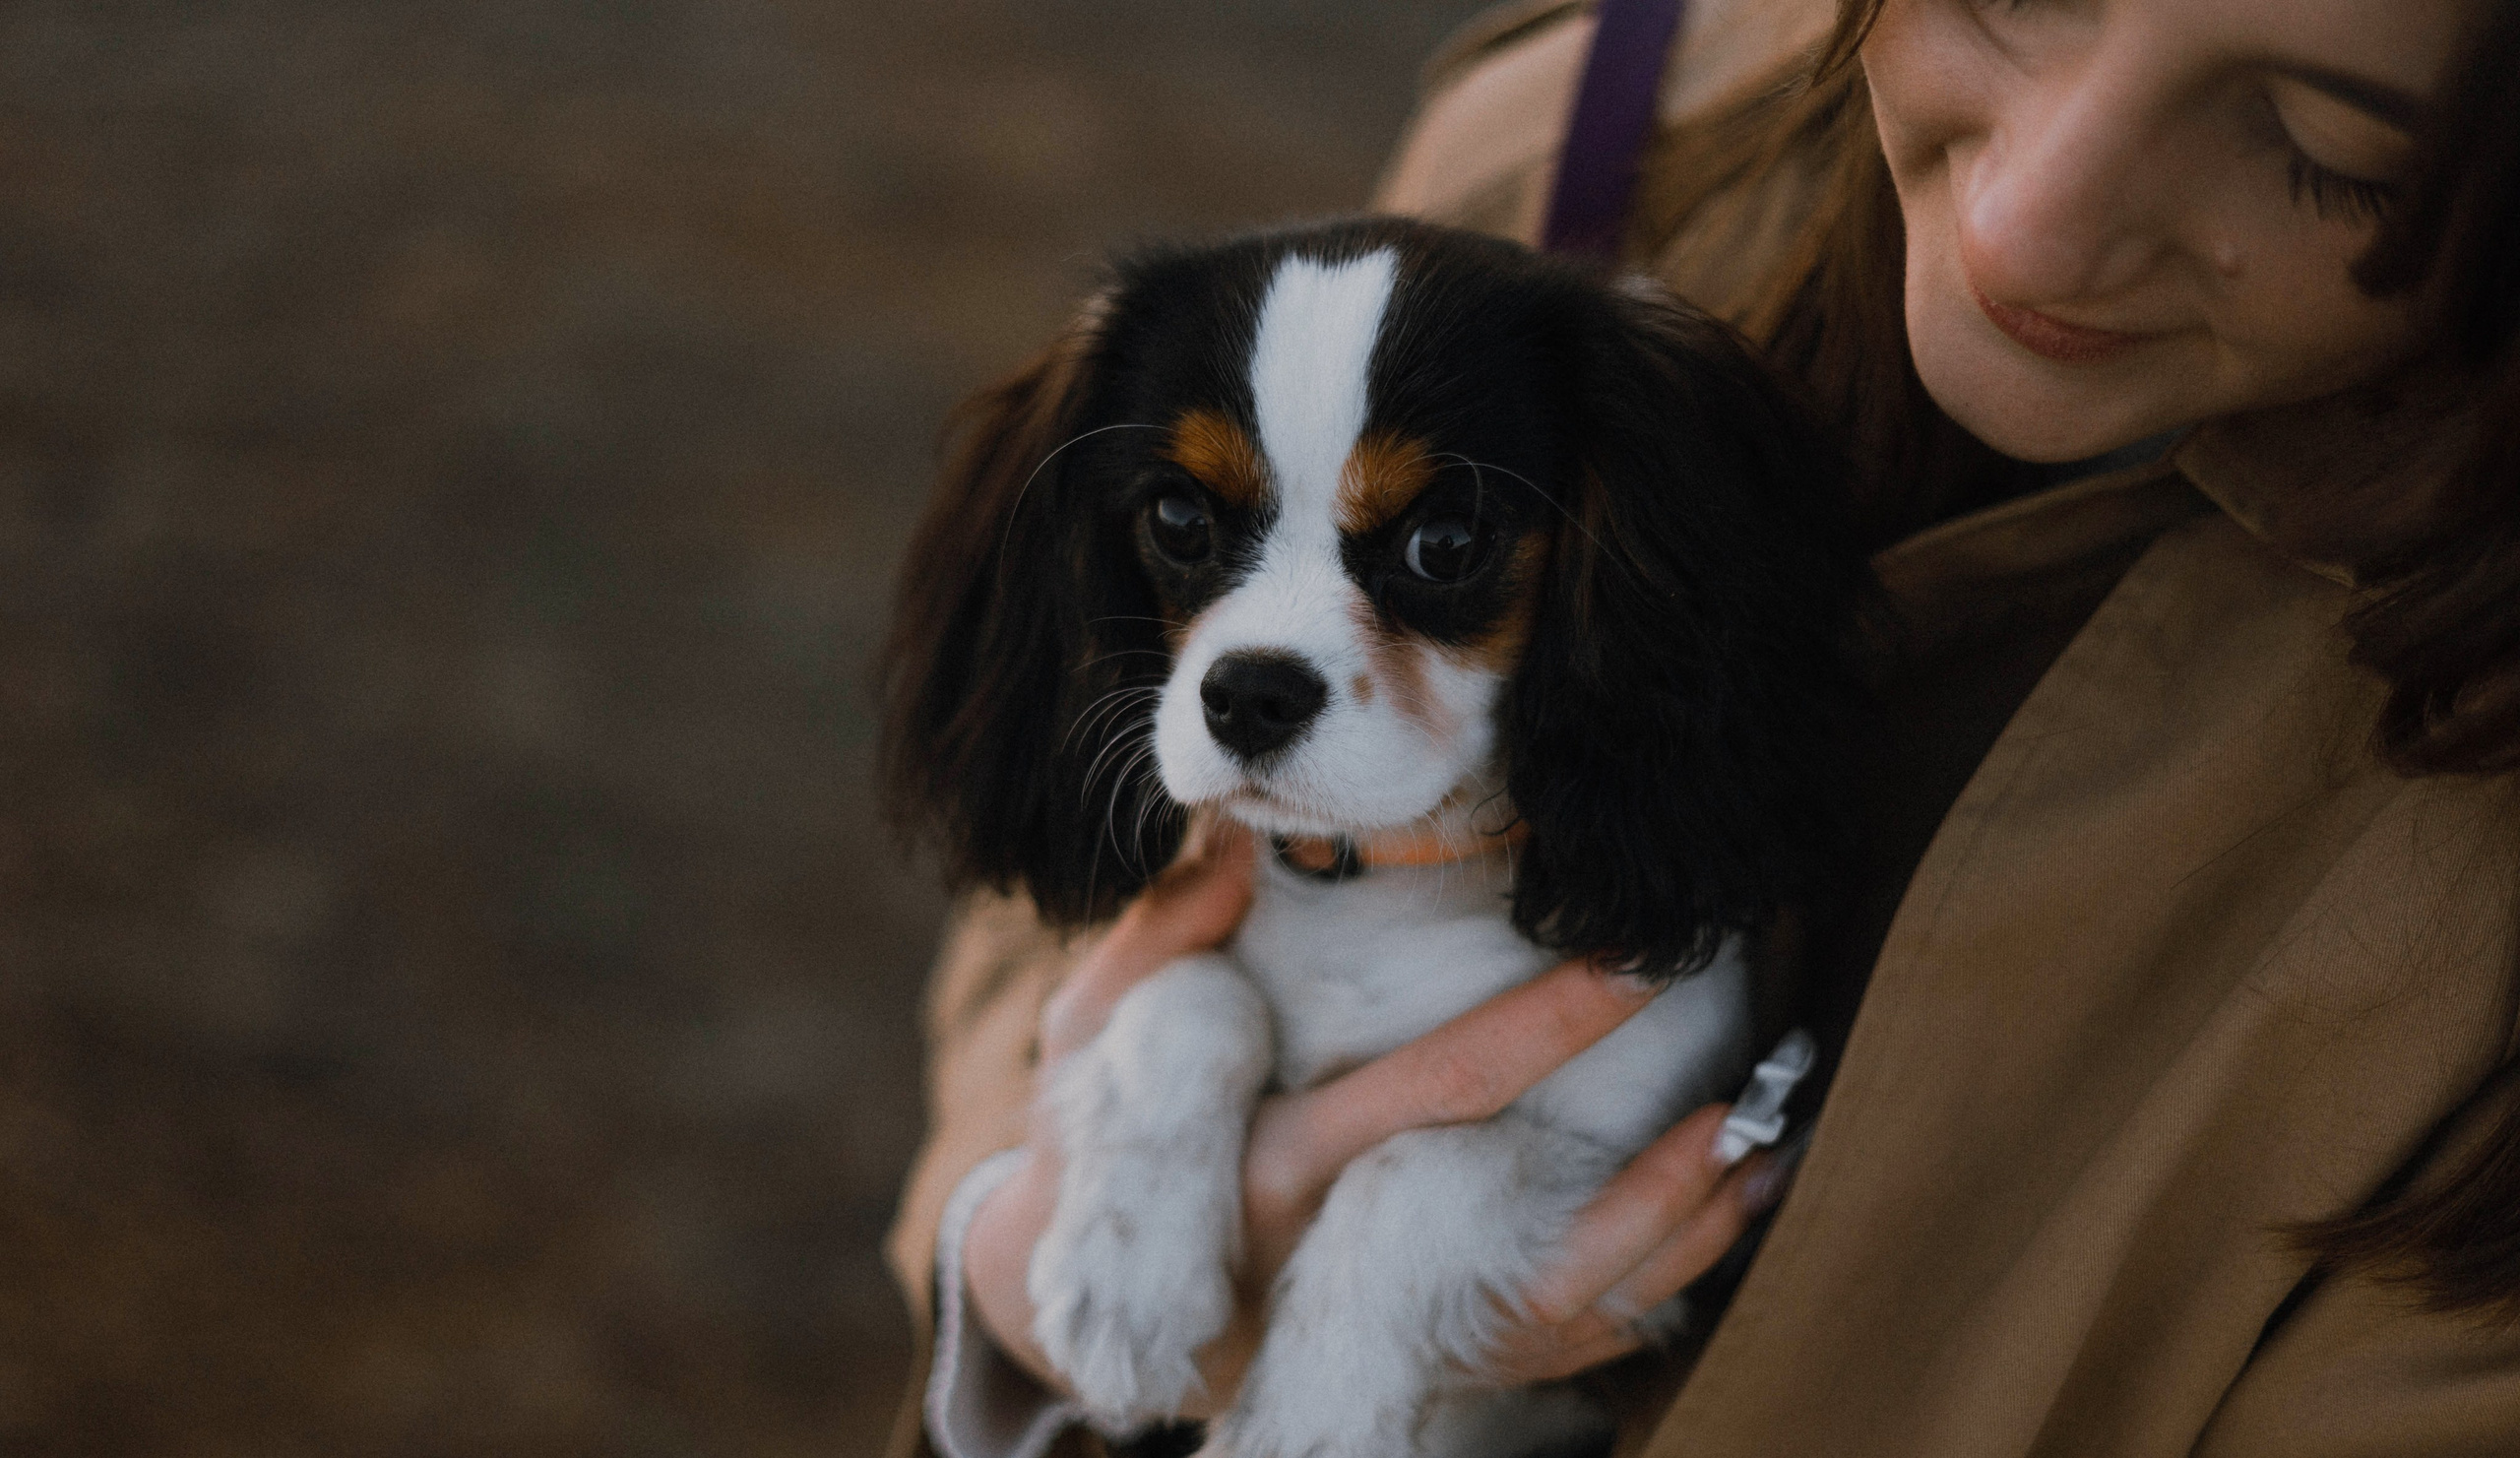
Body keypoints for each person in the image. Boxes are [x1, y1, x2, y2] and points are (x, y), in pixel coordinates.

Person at [883, 0, 2520, 1453]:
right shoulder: (1581, 127)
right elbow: (1044, 908)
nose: (2033, 228)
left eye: (2323, 146)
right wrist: (1016, 1263)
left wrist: (1384, 1278)